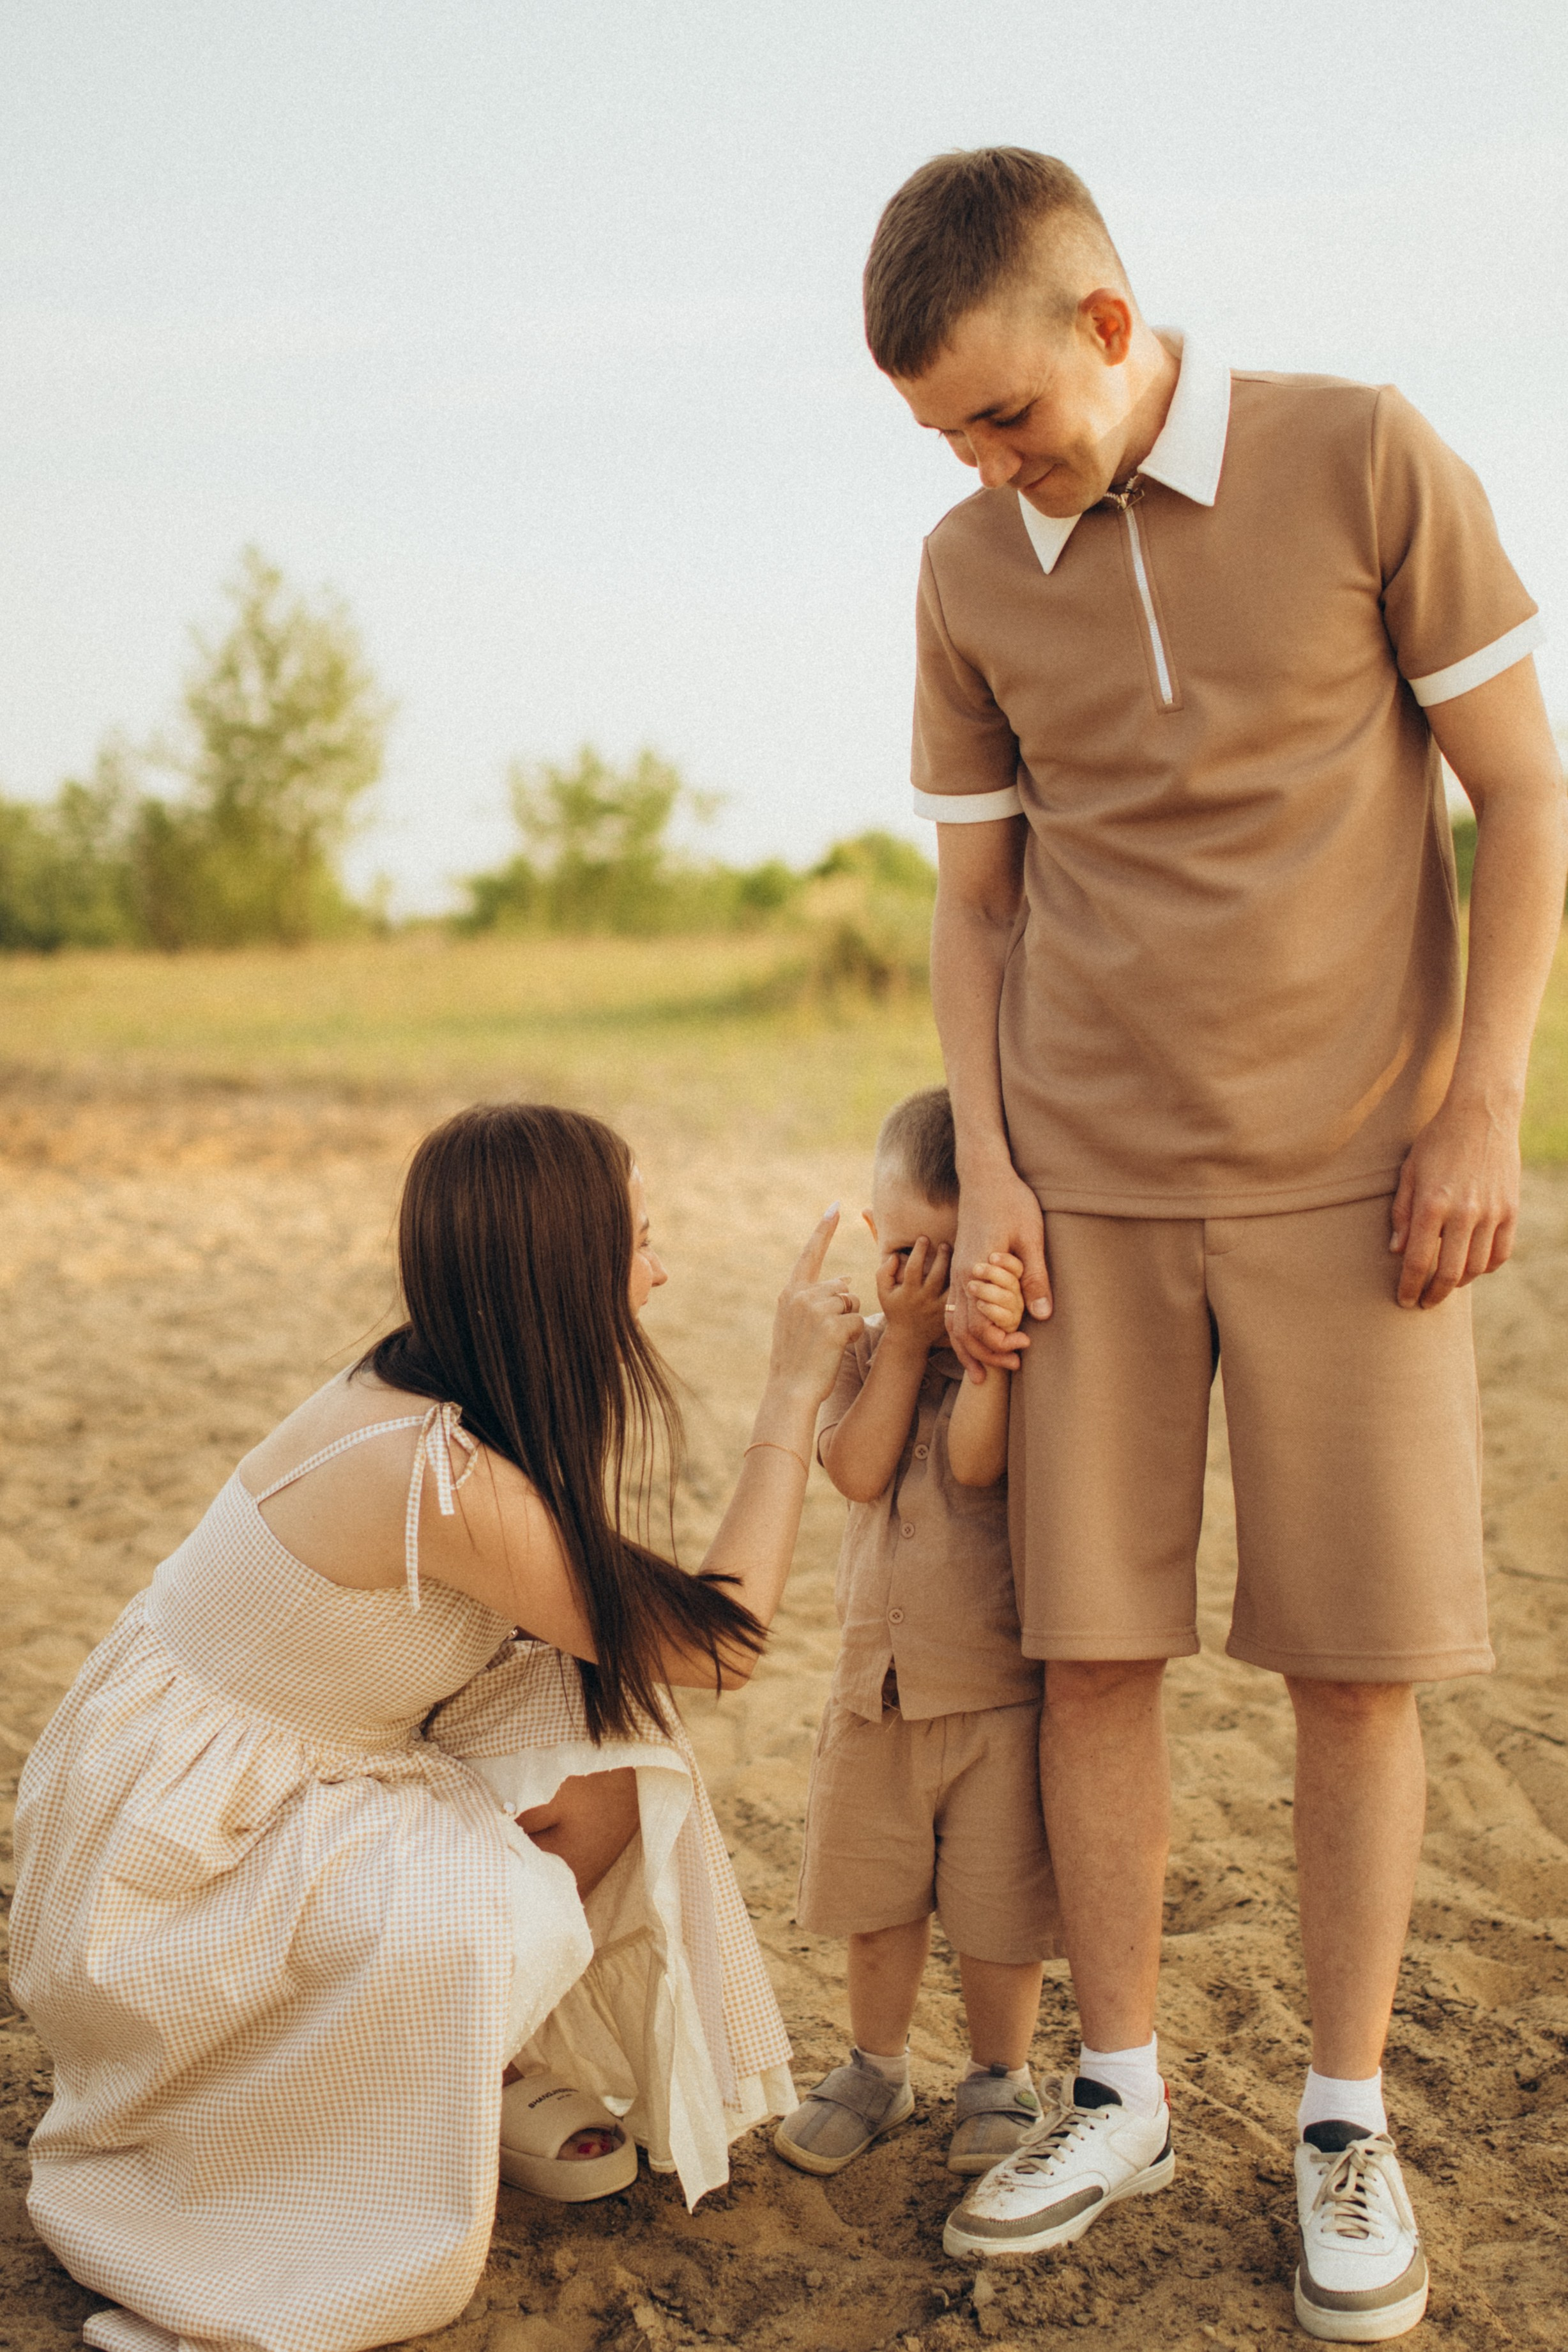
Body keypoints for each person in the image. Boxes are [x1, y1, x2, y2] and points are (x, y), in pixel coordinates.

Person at [862, 148, 1568, 2339]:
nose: (987, 468)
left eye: (1005, 416)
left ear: (1106, 323)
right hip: (1087, 1186)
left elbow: (1524, 790)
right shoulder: (965, 570)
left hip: (1359, 1184)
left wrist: (1479, 1104)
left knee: (1355, 1665)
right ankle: (1122, 2092)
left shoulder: (1360, 456)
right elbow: (978, 909)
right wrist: (994, 1172)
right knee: (1090, 1654)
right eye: (946, 439)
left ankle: (1344, 2120)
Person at [11, 1101, 863, 2352]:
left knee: (609, 1730)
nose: (661, 1272)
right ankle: (353, 2105)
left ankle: (463, 2061)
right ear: (563, 1271)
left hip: (238, 1770)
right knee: (516, 1879)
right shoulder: (431, 1471)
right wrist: (791, 1394)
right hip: (171, 1862)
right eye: (641, 1240)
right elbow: (719, 1643)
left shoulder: (432, 1382)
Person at [773, 1087, 1058, 2181]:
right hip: (877, 1690)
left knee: (997, 1909)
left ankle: (998, 2074)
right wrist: (900, 1343)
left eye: (950, 1258)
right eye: (903, 1254)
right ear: (873, 1234)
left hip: (993, 1692)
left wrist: (980, 1351)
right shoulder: (869, 1348)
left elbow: (977, 1464)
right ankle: (877, 2066)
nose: (924, 1282)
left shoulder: (1014, 1356)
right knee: (879, 1899)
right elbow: (854, 1469)